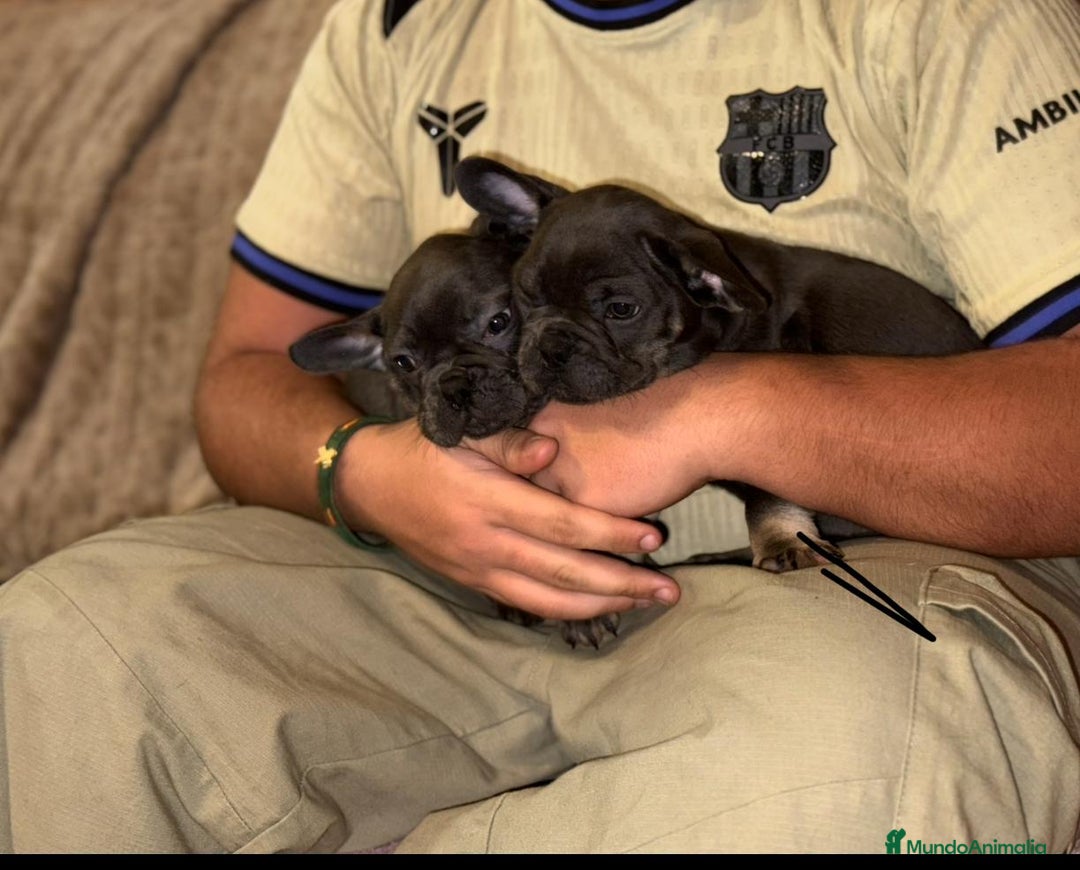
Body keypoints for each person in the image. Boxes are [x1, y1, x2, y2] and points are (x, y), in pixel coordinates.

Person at [2, 0, 1079, 854]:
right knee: (62, 640)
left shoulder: (946, 14)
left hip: (833, 585)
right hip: (441, 582)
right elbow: (242, 378)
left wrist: (714, 409)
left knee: (888, 754)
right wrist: (367, 474)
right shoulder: (398, 24)